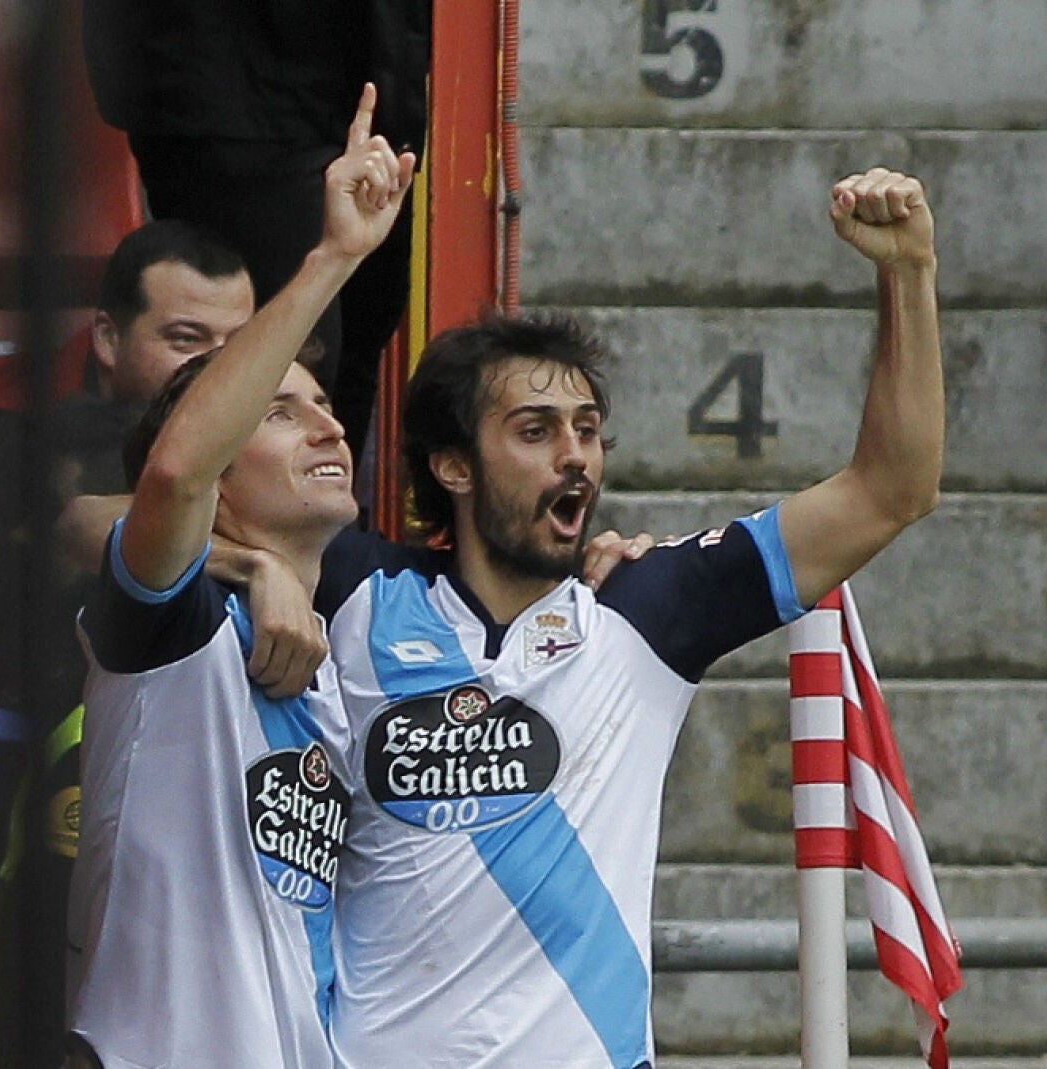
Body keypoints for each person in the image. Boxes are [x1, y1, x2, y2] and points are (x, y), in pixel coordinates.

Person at [316, 169, 944, 1066]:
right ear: (452, 465)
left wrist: (910, 272)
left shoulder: (645, 610)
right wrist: (253, 568)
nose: (574, 454)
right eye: (535, 430)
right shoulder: (352, 591)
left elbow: (895, 488)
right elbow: (145, 515)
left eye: (588, 427)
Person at [0, 218, 323, 1066]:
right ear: (106, 340)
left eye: (241, 346)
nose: (217, 371)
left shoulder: (266, 495)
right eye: (185, 339)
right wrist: (254, 564)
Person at [66, 84, 412, 1069]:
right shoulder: (167, 635)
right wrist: (335, 256)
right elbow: (170, 472)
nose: (329, 424)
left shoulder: (342, 652)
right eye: (280, 411)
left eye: (323, 406)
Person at [81, 0, 430, 472]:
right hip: (236, 100)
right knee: (284, 366)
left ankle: (308, 542)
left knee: (354, 348)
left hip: (365, 97)